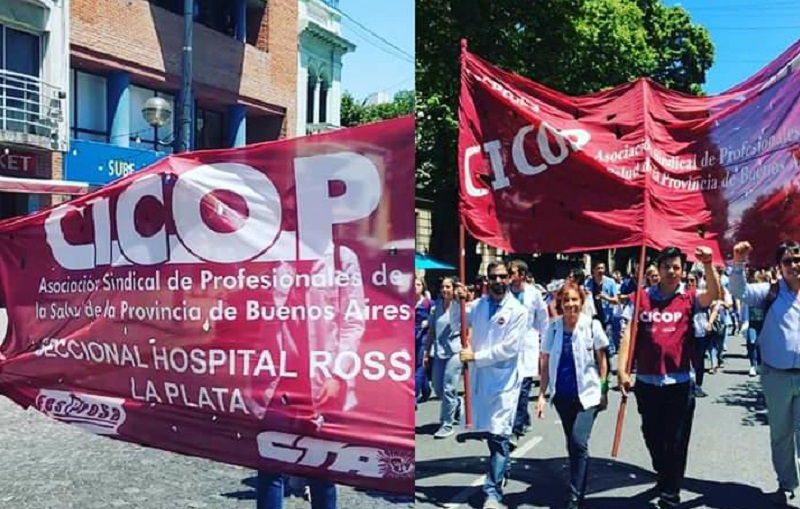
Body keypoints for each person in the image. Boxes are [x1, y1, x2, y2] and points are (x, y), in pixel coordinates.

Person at [617, 246, 720, 509]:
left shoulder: (688, 298)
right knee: (652, 435)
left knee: (675, 441)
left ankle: (670, 495)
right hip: (647, 383)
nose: (672, 272)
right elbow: (629, 332)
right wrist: (622, 369)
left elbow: (713, 295)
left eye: (677, 267)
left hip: (679, 384)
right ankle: (665, 475)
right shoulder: (640, 298)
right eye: (667, 267)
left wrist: (707, 264)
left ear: (682, 270)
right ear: (658, 269)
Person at [730, 240, 800, 506]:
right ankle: (787, 483)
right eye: (788, 261)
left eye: (798, 259)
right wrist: (738, 263)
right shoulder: (770, 291)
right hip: (776, 376)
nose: (794, 265)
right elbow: (740, 292)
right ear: (779, 266)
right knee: (781, 434)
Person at [459, 261, 528, 509]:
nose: (498, 281)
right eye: (493, 277)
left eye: (502, 277)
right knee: (491, 434)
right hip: (482, 380)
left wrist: (476, 357)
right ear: (487, 280)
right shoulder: (479, 305)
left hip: (504, 382)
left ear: (509, 278)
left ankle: (492, 493)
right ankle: (501, 469)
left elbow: (509, 349)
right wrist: (459, 298)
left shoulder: (518, 311)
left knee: (499, 435)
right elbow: (459, 315)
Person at [536, 281, 609, 509]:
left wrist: (604, 389)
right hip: (562, 397)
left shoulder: (591, 326)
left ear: (581, 302)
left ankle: (574, 498)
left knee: (579, 441)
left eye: (574, 300)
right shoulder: (554, 328)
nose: (570, 305)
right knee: (573, 444)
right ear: (560, 303)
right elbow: (545, 361)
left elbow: (602, 359)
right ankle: (579, 481)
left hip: (588, 395)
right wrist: (541, 394)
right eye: (566, 300)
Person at [508, 260, 549, 448]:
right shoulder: (504, 292)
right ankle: (523, 418)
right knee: (510, 388)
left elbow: (542, 319)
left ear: (523, 275)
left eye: (512, 272)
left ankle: (515, 429)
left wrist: (545, 345)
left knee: (522, 387)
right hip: (507, 347)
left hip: (527, 346)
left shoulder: (534, 294)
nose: (508, 275)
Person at [423, 276, 463, 439]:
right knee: (438, 388)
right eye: (443, 287)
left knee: (448, 388)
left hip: (455, 351)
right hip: (438, 351)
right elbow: (432, 330)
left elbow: (470, 326)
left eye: (448, 287)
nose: (445, 290)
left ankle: (446, 424)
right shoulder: (436, 308)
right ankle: (457, 404)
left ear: (454, 289)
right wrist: (426, 351)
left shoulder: (460, 307)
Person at [415, 277, 433, 403]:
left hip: (424, 338)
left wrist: (428, 321)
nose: (415, 286)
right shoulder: (407, 302)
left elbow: (436, 316)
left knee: (420, 365)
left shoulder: (428, 303)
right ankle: (426, 390)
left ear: (423, 287)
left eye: (418, 284)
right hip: (409, 337)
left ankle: (412, 396)